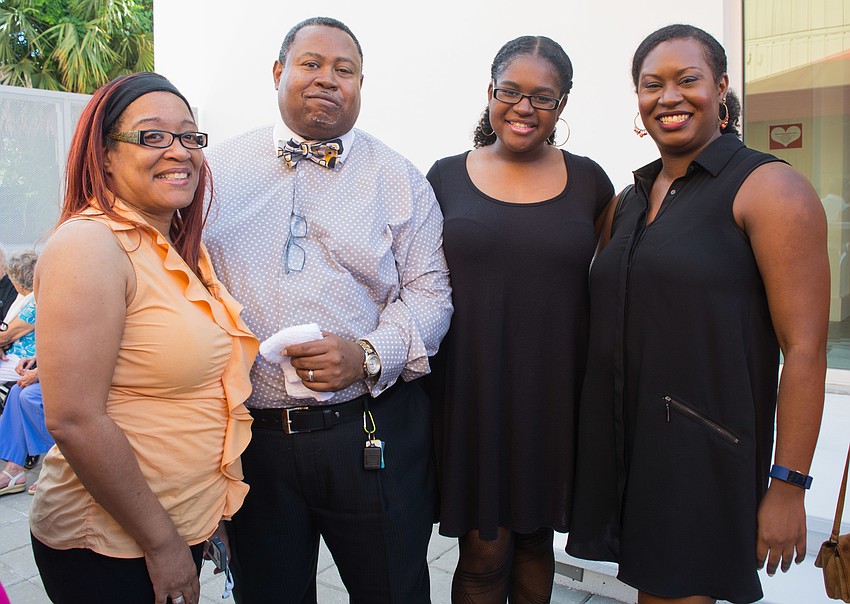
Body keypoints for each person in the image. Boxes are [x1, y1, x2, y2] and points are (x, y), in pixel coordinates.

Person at [566, 24, 828, 604]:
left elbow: (805, 349)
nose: (669, 97)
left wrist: (789, 485)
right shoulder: (629, 200)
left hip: (706, 453)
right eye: (651, 84)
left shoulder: (769, 189)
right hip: (631, 446)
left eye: (688, 80)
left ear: (722, 88)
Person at [204, 16, 452, 603]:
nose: (327, 79)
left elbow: (431, 292)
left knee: (394, 591)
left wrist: (366, 355)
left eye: (345, 70)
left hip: (369, 433)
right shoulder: (213, 175)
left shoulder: (399, 178)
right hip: (252, 442)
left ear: (361, 84)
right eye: (311, 64)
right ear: (278, 72)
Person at [29, 72, 258, 604]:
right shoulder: (90, 246)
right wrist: (163, 544)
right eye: (153, 136)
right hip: (112, 546)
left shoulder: (173, 245)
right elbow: (74, 418)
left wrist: (207, 516)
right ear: (105, 155)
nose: (179, 151)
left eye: (189, 136)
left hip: (175, 527)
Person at [424, 36, 613, 603]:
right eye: (510, 91)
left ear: (562, 105)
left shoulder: (590, 182)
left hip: (554, 396)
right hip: (471, 394)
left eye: (542, 97)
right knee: (485, 551)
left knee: (534, 543)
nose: (524, 107)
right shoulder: (443, 177)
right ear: (490, 92)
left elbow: (610, 283)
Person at [0, 356, 48, 496]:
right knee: (17, 391)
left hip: (82, 371)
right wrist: (36, 359)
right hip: (56, 365)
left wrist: (41, 371)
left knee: (29, 396)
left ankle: (55, 465)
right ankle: (13, 469)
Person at [0, 251, 37, 382]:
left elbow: (6, 336)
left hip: (23, 361)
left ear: (18, 284)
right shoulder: (25, 299)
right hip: (13, 356)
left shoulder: (34, 304)